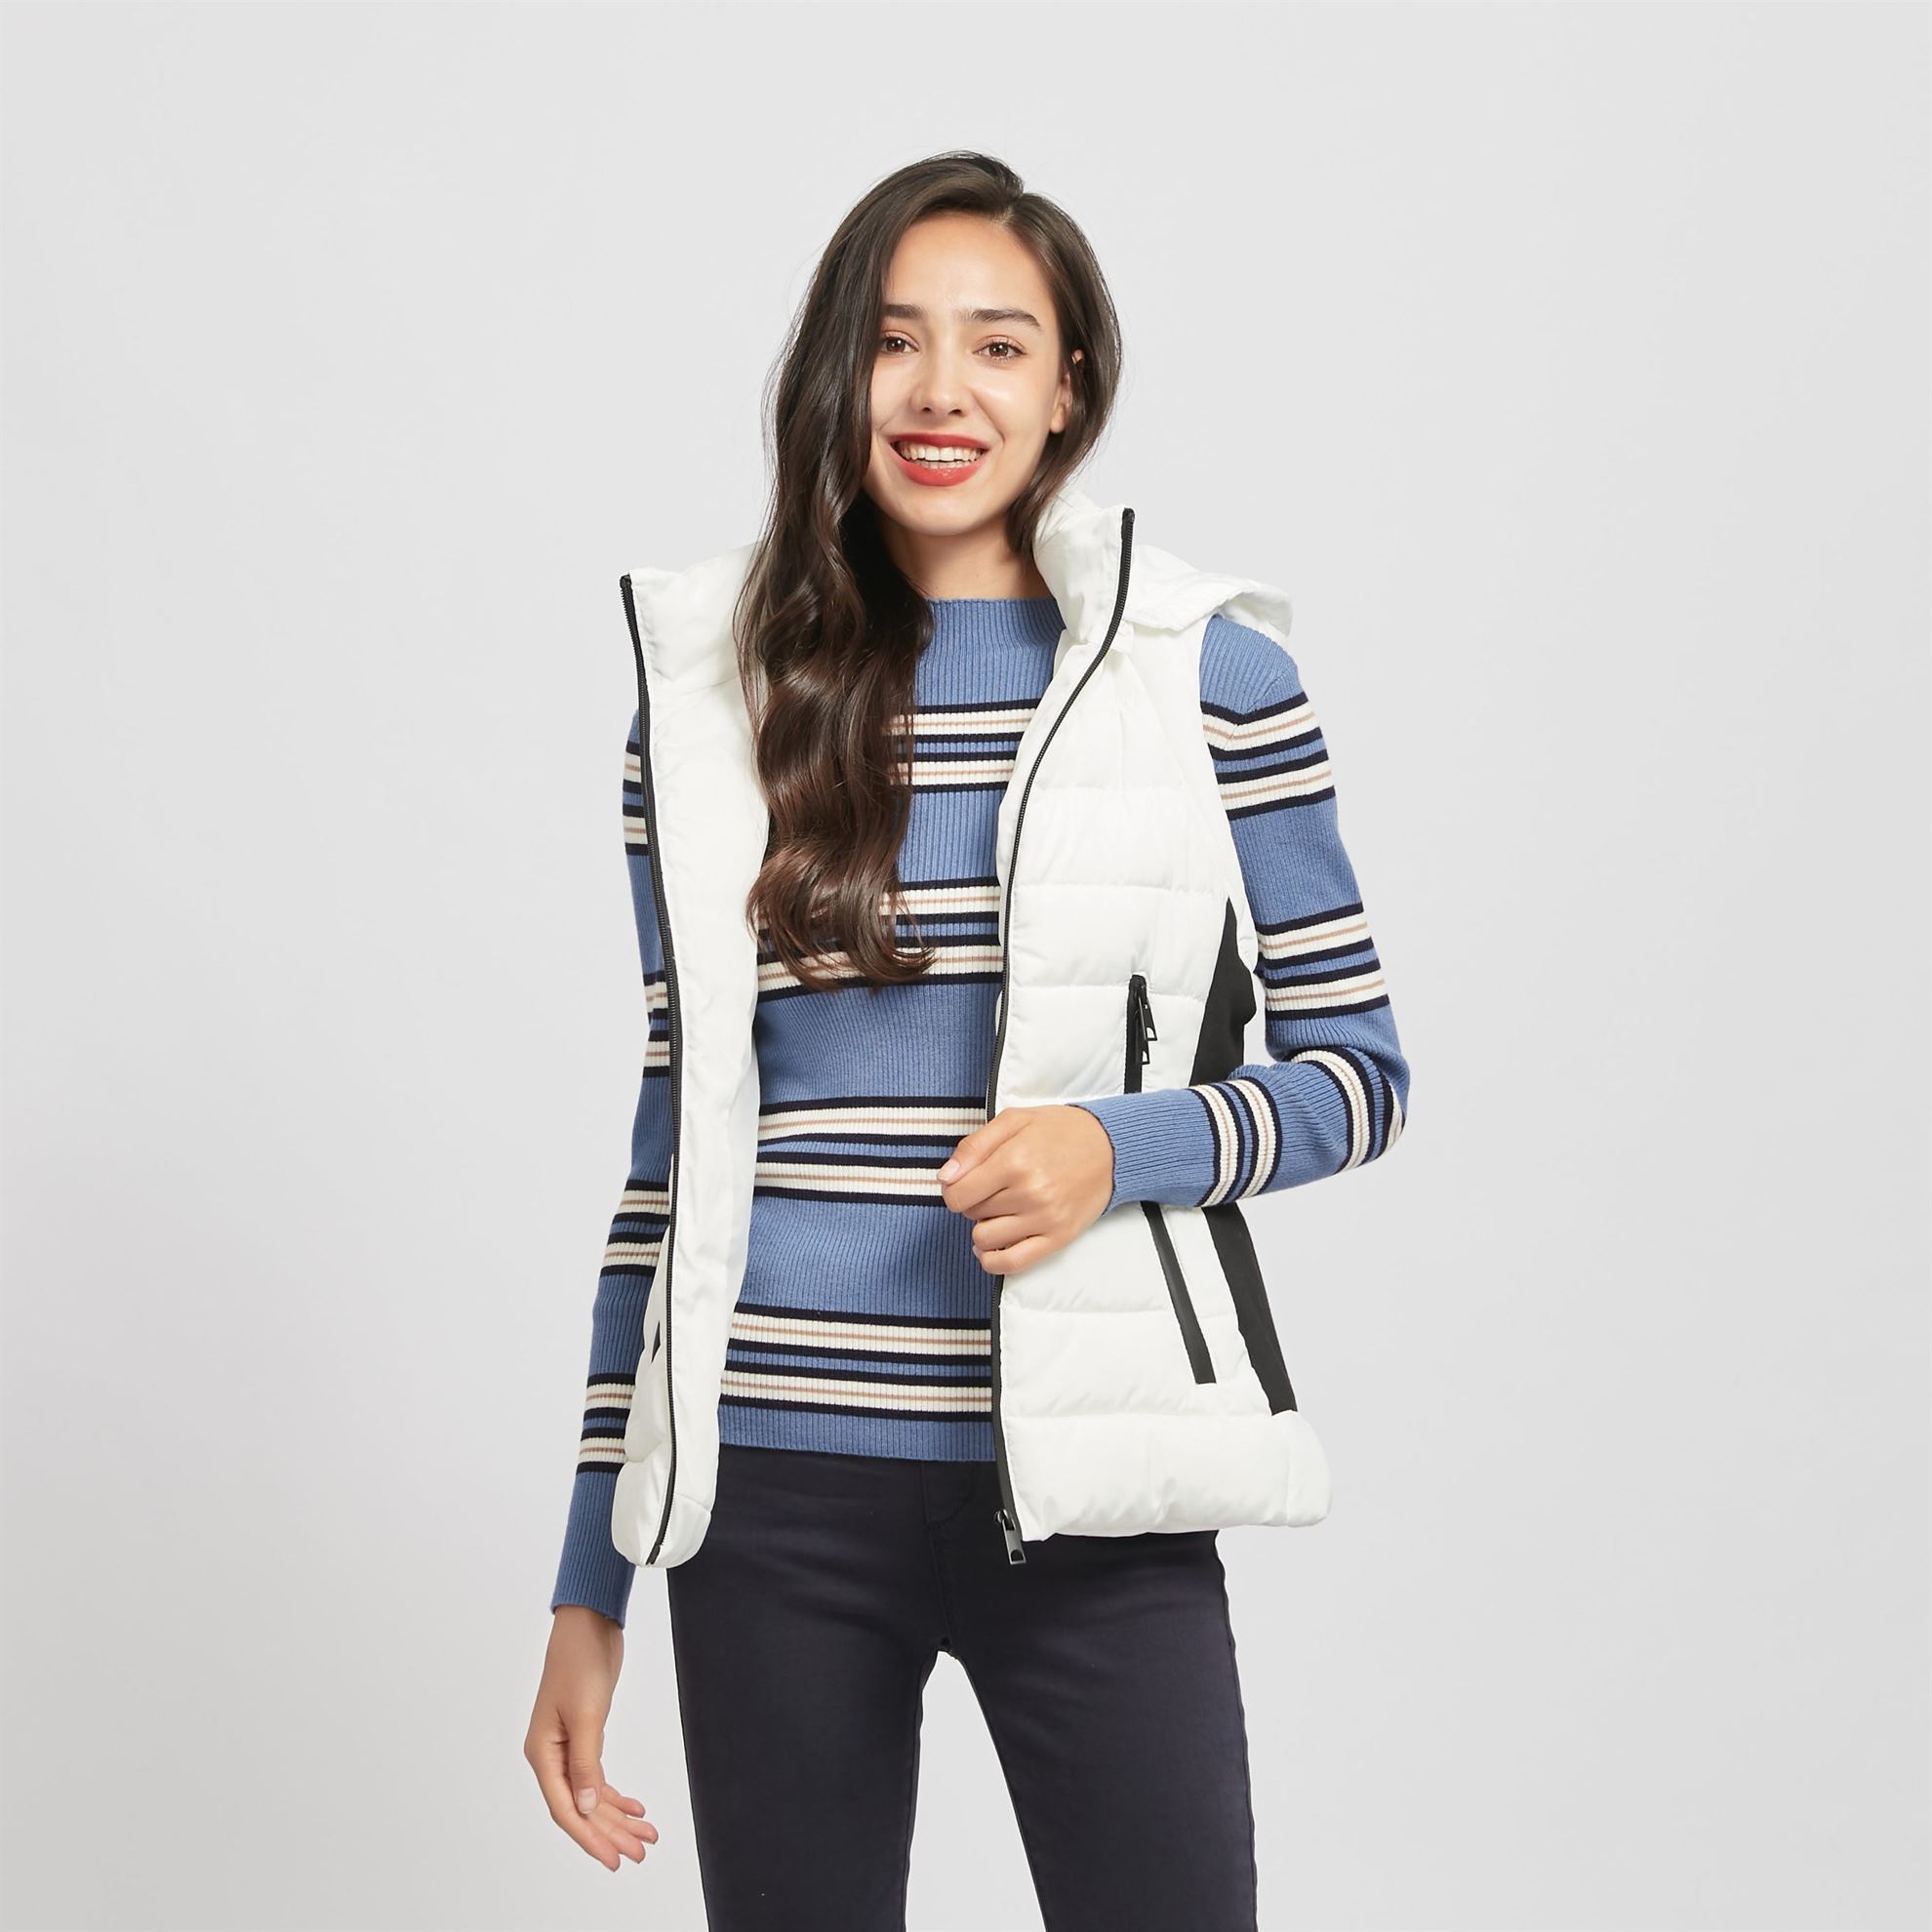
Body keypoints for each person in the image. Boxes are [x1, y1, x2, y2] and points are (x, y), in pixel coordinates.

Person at [523, 150, 1411, 1932]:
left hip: (1094, 1487)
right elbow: (674, 1156)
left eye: (1000, 346)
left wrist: (1114, 1147)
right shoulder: (713, 703)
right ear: (837, 372)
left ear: (1068, 386)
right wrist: (587, 1579)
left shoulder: (1208, 678)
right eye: (897, 341)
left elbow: (1358, 1076)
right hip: (771, 1492)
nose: (943, 392)